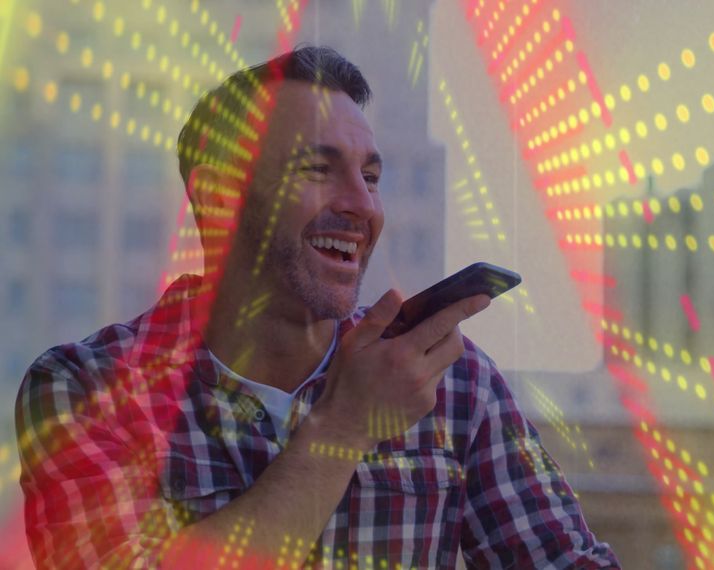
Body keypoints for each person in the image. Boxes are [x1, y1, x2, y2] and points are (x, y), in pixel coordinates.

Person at [16, 46, 619, 569]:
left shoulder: (452, 383)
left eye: (371, 176)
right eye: (317, 169)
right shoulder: (86, 389)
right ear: (217, 197)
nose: (363, 205)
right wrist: (347, 426)